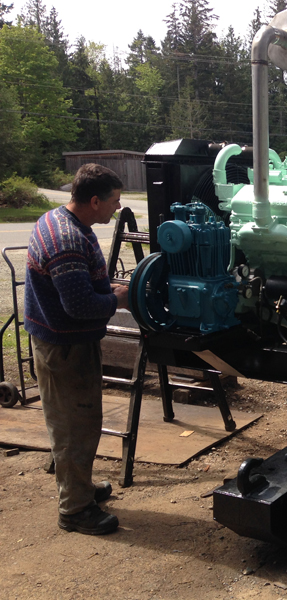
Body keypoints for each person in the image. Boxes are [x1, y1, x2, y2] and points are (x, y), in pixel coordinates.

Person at [24, 163, 129, 535]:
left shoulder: (61, 220)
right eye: (115, 201)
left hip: (62, 340)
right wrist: (118, 299)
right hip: (65, 346)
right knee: (74, 426)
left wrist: (105, 289)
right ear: (95, 201)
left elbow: (79, 287)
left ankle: (79, 488)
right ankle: (74, 509)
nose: (118, 207)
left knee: (75, 422)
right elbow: (80, 306)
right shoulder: (67, 240)